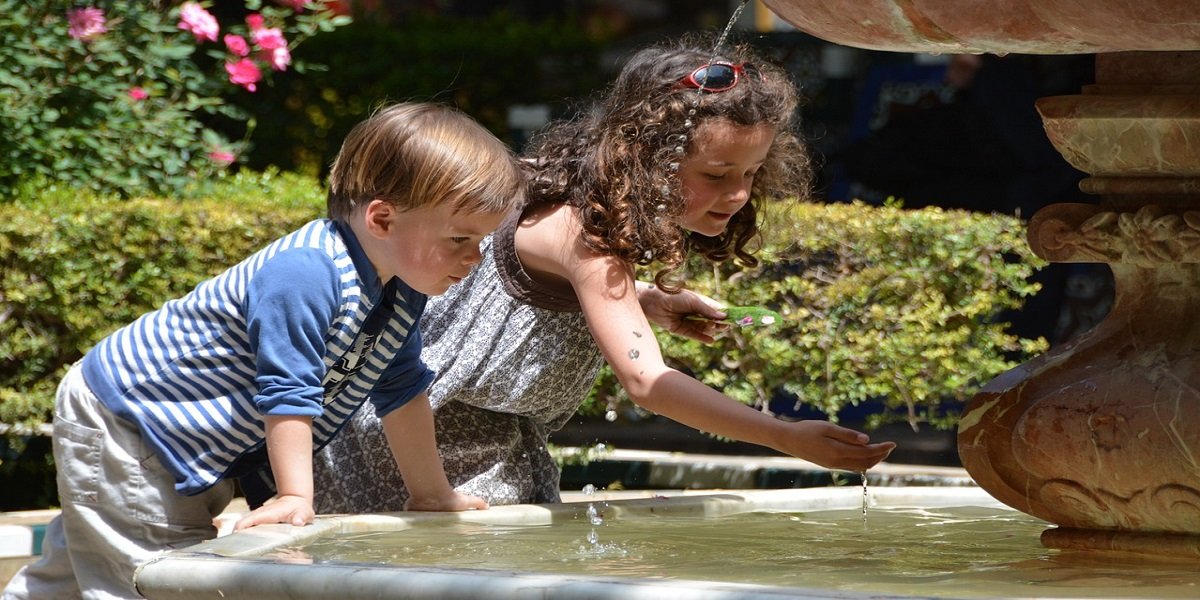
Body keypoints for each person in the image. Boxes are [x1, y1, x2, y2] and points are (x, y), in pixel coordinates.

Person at [309, 37, 896, 514]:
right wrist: (783, 437)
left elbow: (507, 286)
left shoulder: (566, 189)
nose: (739, 193)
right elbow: (648, 383)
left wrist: (644, 300)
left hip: (433, 438)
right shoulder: (587, 238)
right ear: (646, 158)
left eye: (751, 172)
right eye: (717, 174)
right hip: (420, 453)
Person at [2, 102, 524, 600]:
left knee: (79, 569)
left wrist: (432, 493)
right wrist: (296, 496)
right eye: (459, 238)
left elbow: (401, 388)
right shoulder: (306, 272)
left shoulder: (401, 286)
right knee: (159, 577)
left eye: (480, 241)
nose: (473, 258)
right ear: (382, 220)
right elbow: (288, 391)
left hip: (186, 437)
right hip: (134, 422)